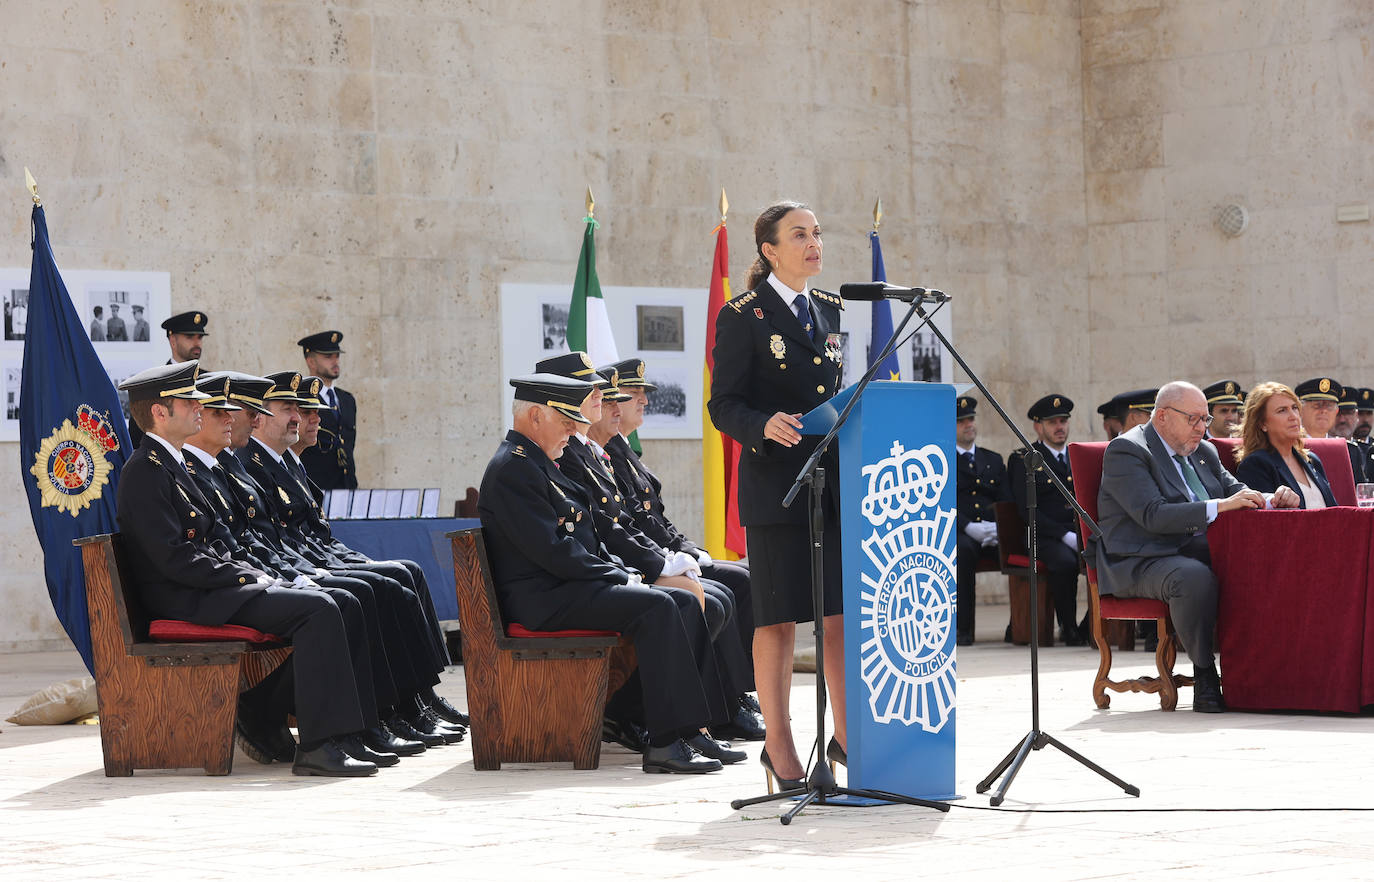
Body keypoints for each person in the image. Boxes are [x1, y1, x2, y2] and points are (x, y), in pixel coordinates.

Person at [114, 361, 379, 775]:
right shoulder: (144, 471)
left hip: (210, 588)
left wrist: (251, 570)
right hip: (188, 599)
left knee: (335, 601)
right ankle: (318, 744)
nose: (200, 408)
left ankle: (316, 727)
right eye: (190, 401)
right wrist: (245, 576)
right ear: (160, 413)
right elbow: (173, 557)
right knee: (320, 609)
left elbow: (219, 537)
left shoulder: (176, 465)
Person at [479, 373, 726, 774]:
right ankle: (665, 742)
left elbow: (586, 535)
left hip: (567, 586)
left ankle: (693, 729)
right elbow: (555, 552)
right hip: (545, 598)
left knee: (680, 600)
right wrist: (621, 576)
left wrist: (620, 570)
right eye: (566, 421)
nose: (574, 430)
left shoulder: (540, 462)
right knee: (658, 607)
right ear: (536, 416)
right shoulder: (514, 468)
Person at [241, 371, 464, 746]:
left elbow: (315, 536)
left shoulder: (286, 466)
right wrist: (322, 569)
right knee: (371, 590)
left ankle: (418, 697)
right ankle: (387, 710)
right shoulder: (253, 465)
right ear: (259, 417)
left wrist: (346, 560)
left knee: (404, 572)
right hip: (280, 575)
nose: (302, 418)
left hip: (305, 565)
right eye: (289, 409)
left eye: (304, 410)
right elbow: (277, 541)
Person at [707, 200, 848, 790]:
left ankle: (847, 736)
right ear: (769, 249)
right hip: (776, 488)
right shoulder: (744, 315)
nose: (814, 243)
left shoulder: (832, 309)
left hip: (833, 483)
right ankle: (780, 744)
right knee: (779, 620)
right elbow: (724, 404)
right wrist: (760, 425)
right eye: (800, 235)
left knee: (840, 615)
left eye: (817, 233)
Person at [1091, 381, 1301, 713]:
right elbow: (1152, 516)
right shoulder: (1128, 451)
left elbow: (1237, 491)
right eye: (1194, 419)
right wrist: (1221, 506)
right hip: (1140, 557)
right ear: (1162, 416)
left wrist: (1272, 499)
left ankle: (1269, 669)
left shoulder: (1203, 450)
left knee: (1269, 561)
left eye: (1205, 419)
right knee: (1192, 577)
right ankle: (1205, 672)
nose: (1203, 428)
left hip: (1197, 547)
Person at [595, 356, 764, 743]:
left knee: (741, 580)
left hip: (646, 557)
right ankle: (717, 705)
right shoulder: (599, 455)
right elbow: (625, 525)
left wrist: (685, 549)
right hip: (628, 565)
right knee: (718, 594)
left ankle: (730, 697)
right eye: (630, 396)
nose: (642, 402)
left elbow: (651, 518)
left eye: (638, 395)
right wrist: (664, 561)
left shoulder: (617, 452)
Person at [1008, 394, 1084, 646]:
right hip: (1041, 536)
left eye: (1063, 421)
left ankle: (1089, 626)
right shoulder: (1025, 459)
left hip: (1076, 533)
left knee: (1110, 556)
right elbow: (1027, 510)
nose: (1060, 427)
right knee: (1064, 562)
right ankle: (1068, 627)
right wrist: (1064, 536)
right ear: (1038, 427)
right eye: (1053, 422)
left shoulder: (1077, 456)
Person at [954, 395, 1009, 646]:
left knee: (1026, 547)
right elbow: (943, 503)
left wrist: (1000, 526)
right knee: (963, 552)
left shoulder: (993, 459)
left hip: (994, 530)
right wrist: (967, 526)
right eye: (961, 421)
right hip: (964, 531)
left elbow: (1006, 497)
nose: (969, 424)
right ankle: (963, 631)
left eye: (971, 419)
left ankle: (1020, 627)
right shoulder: (943, 459)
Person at [1234, 382, 1336, 509]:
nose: (1293, 416)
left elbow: (1333, 510)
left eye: (1294, 408)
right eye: (1282, 411)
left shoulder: (1311, 459)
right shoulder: (1256, 464)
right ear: (1262, 423)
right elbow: (1260, 521)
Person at [296, 330, 358, 490]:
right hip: (316, 488)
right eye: (328, 357)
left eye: (337, 356)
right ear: (311, 362)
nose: (335, 361)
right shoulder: (301, 399)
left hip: (347, 488)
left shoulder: (347, 400)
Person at [1295, 377, 1366, 483]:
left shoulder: (1350, 451)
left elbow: (1358, 491)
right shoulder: (1290, 448)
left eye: (1329, 406)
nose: (1323, 410)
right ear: (1301, 409)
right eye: (1317, 405)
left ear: (1336, 411)